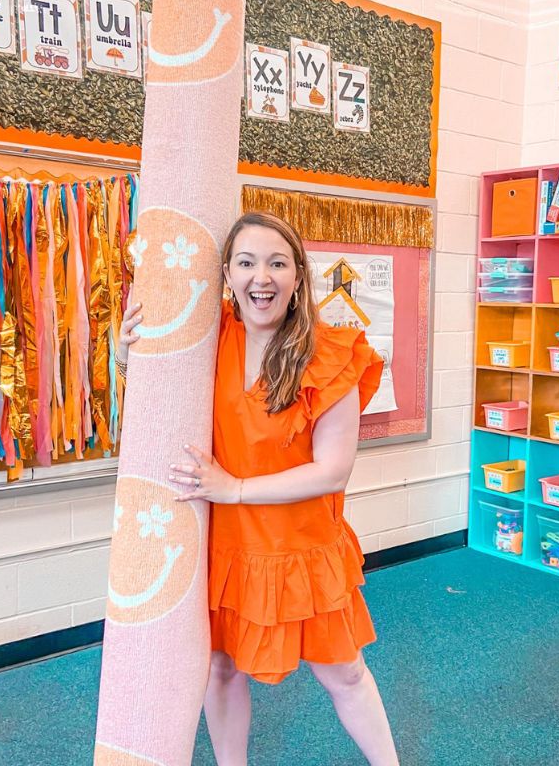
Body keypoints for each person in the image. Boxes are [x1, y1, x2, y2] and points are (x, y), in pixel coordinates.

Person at [117, 212, 399, 766]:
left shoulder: (332, 353)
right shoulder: (209, 335)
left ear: (298, 276)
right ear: (228, 273)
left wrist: (235, 487)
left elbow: (332, 471)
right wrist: (128, 353)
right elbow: (157, 394)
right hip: (227, 547)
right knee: (219, 667)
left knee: (343, 671)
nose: (261, 277)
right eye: (246, 263)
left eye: (277, 262)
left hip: (300, 546)